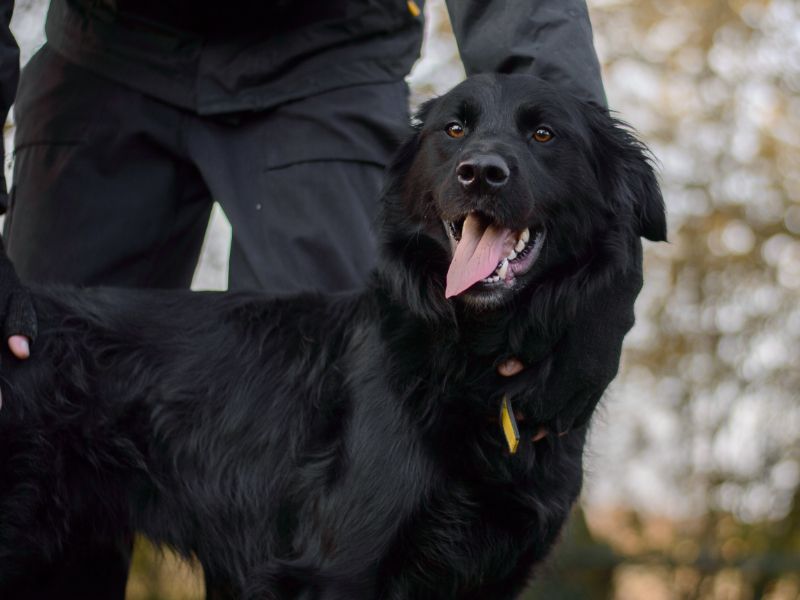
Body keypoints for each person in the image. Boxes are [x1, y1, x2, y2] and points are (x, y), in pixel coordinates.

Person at [0, 0, 616, 597]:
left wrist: (601, 300)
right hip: (105, 46)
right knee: (33, 363)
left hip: (329, 53)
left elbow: (551, 91)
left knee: (340, 493)